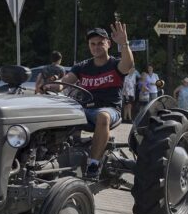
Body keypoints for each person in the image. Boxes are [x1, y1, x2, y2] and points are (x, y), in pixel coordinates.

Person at [45, 21, 133, 179]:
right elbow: (64, 83)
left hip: (109, 110)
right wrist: (51, 85)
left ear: (109, 44)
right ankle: (53, 157)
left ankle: (93, 164)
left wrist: (124, 44)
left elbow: (128, 64)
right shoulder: (82, 67)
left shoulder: (115, 65)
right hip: (85, 110)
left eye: (100, 43)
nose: (96, 47)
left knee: (103, 116)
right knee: (61, 112)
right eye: (92, 44)